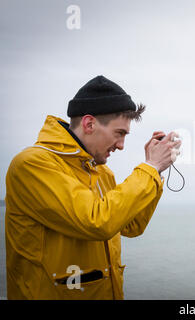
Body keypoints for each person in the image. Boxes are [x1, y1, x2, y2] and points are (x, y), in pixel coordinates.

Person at [5, 75, 181, 299]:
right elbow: (97, 222)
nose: (121, 145)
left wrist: (156, 172)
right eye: (119, 133)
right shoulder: (32, 164)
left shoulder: (100, 171)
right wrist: (150, 168)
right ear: (89, 124)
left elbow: (132, 225)